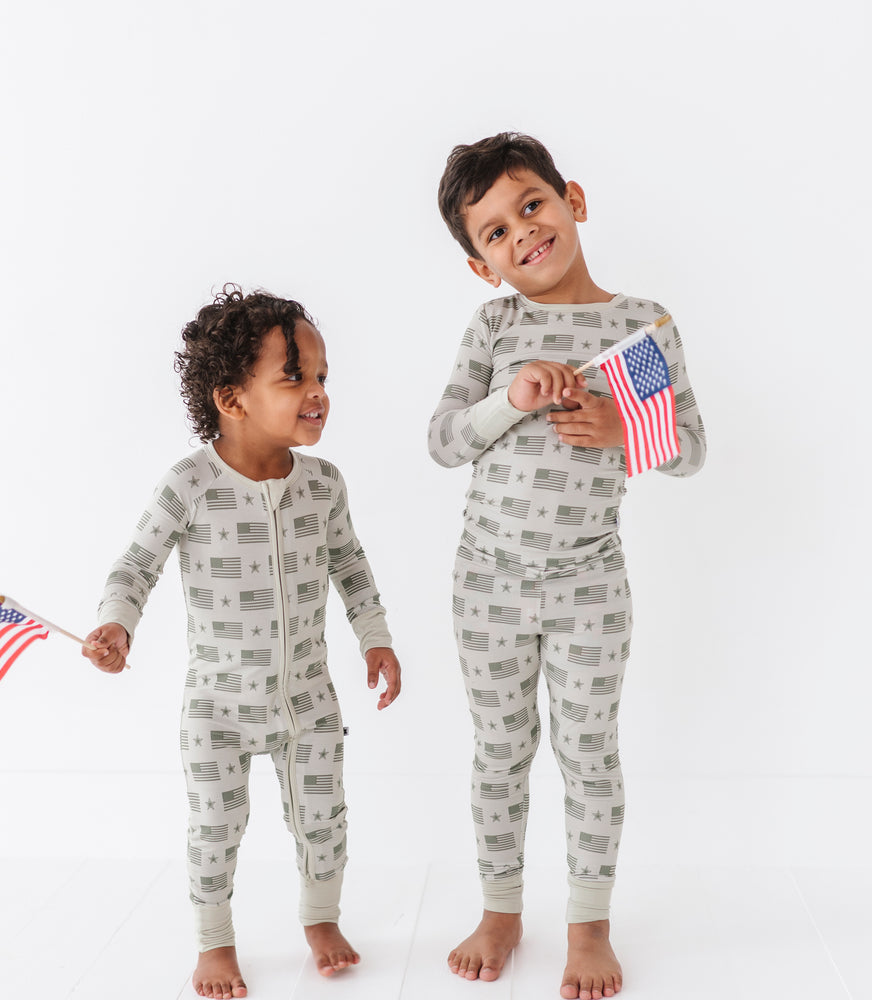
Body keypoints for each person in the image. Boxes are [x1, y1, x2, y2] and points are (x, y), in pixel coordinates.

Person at [430, 133, 706, 1000]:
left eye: (532, 206)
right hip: (488, 580)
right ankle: (502, 908)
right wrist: (510, 402)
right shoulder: (494, 326)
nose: (522, 234)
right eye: (495, 233)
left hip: (589, 580)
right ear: (483, 266)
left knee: (589, 750)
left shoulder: (642, 324)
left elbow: (690, 448)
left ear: (572, 200)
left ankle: (588, 921)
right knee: (501, 750)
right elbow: (441, 442)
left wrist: (629, 432)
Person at [83, 286, 402, 999]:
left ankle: (321, 921)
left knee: (325, 818)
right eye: (295, 377)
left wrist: (374, 638)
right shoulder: (189, 484)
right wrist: (116, 623)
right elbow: (137, 566)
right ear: (232, 398)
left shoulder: (324, 485)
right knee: (214, 827)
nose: (318, 392)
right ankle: (214, 943)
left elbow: (351, 565)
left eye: (322, 377)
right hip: (218, 707)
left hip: (309, 699)